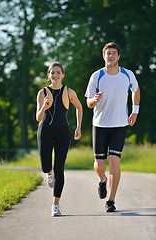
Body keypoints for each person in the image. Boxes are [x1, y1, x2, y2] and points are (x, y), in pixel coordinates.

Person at [85, 42, 140, 212]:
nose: (111, 56)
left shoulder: (127, 74)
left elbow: (136, 91)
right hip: (100, 124)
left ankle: (111, 200)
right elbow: (88, 103)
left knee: (115, 161)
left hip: (119, 124)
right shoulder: (97, 76)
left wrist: (135, 111)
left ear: (118, 56)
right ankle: (102, 180)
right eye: (108, 53)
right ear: (104, 56)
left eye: (114, 53)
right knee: (100, 164)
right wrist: (95, 100)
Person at [36, 62, 83, 217]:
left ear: (63, 75)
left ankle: (55, 205)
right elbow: (38, 118)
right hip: (45, 131)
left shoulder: (69, 92)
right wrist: (44, 106)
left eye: (58, 72)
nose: (55, 75)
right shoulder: (42, 93)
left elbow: (79, 107)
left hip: (63, 132)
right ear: (48, 75)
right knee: (45, 166)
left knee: (60, 169)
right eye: (52, 72)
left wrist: (78, 127)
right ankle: (49, 173)